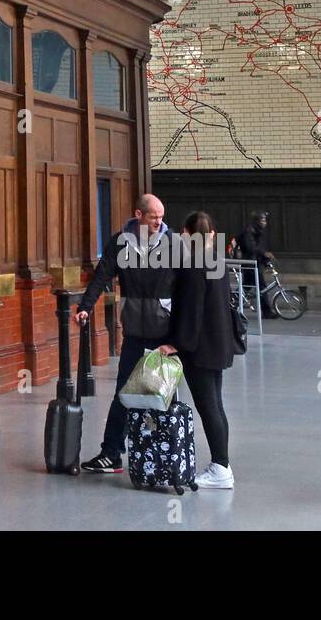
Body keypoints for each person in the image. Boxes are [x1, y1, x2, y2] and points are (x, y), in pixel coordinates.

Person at [74, 193, 179, 475]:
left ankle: (167, 457)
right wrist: (85, 307)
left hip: (164, 335)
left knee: (165, 396)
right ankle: (111, 453)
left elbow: (187, 287)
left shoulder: (173, 243)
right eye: (154, 217)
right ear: (139, 214)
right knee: (124, 392)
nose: (160, 222)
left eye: (161, 216)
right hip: (134, 331)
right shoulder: (121, 243)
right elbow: (102, 276)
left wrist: (179, 336)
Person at [164, 211, 236, 489]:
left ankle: (221, 467)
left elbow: (191, 312)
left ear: (185, 233)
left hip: (200, 349)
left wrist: (177, 344)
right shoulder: (216, 261)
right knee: (215, 405)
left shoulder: (193, 265)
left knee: (208, 407)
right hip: (218, 343)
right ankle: (222, 464)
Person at [237, 211, 275, 316]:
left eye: (265, 220)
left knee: (246, 286)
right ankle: (267, 312)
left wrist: (265, 259)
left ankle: (231, 302)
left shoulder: (257, 231)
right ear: (257, 221)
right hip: (249, 263)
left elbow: (258, 248)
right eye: (262, 220)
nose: (264, 223)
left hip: (253, 262)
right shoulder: (249, 231)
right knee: (261, 286)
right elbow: (251, 248)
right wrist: (264, 254)